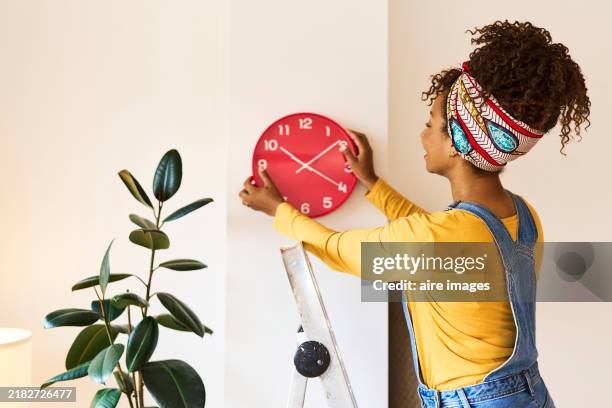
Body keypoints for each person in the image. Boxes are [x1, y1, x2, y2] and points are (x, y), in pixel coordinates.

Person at [239, 20, 590, 407]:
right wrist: (374, 185)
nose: (423, 136)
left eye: (431, 125)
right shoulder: (522, 216)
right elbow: (436, 242)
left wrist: (277, 208)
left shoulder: (443, 236)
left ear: (458, 143)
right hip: (529, 396)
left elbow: (337, 249)